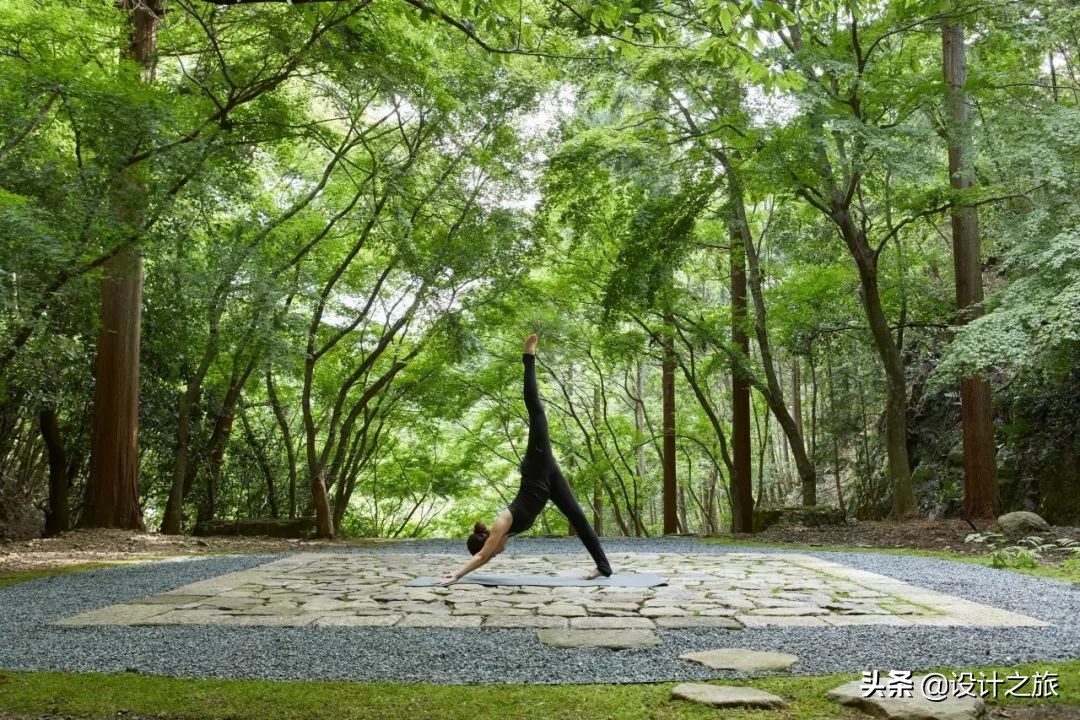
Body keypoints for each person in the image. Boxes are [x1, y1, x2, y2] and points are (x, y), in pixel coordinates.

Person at [438, 333, 613, 585]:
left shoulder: (501, 524)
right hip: (549, 480)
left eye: (490, 550)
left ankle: (528, 356)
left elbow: (483, 556)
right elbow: (486, 556)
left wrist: (456, 574)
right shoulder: (504, 534)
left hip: (537, 467)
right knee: (579, 520)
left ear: (490, 542)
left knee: (537, 412)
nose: (494, 555)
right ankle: (604, 568)